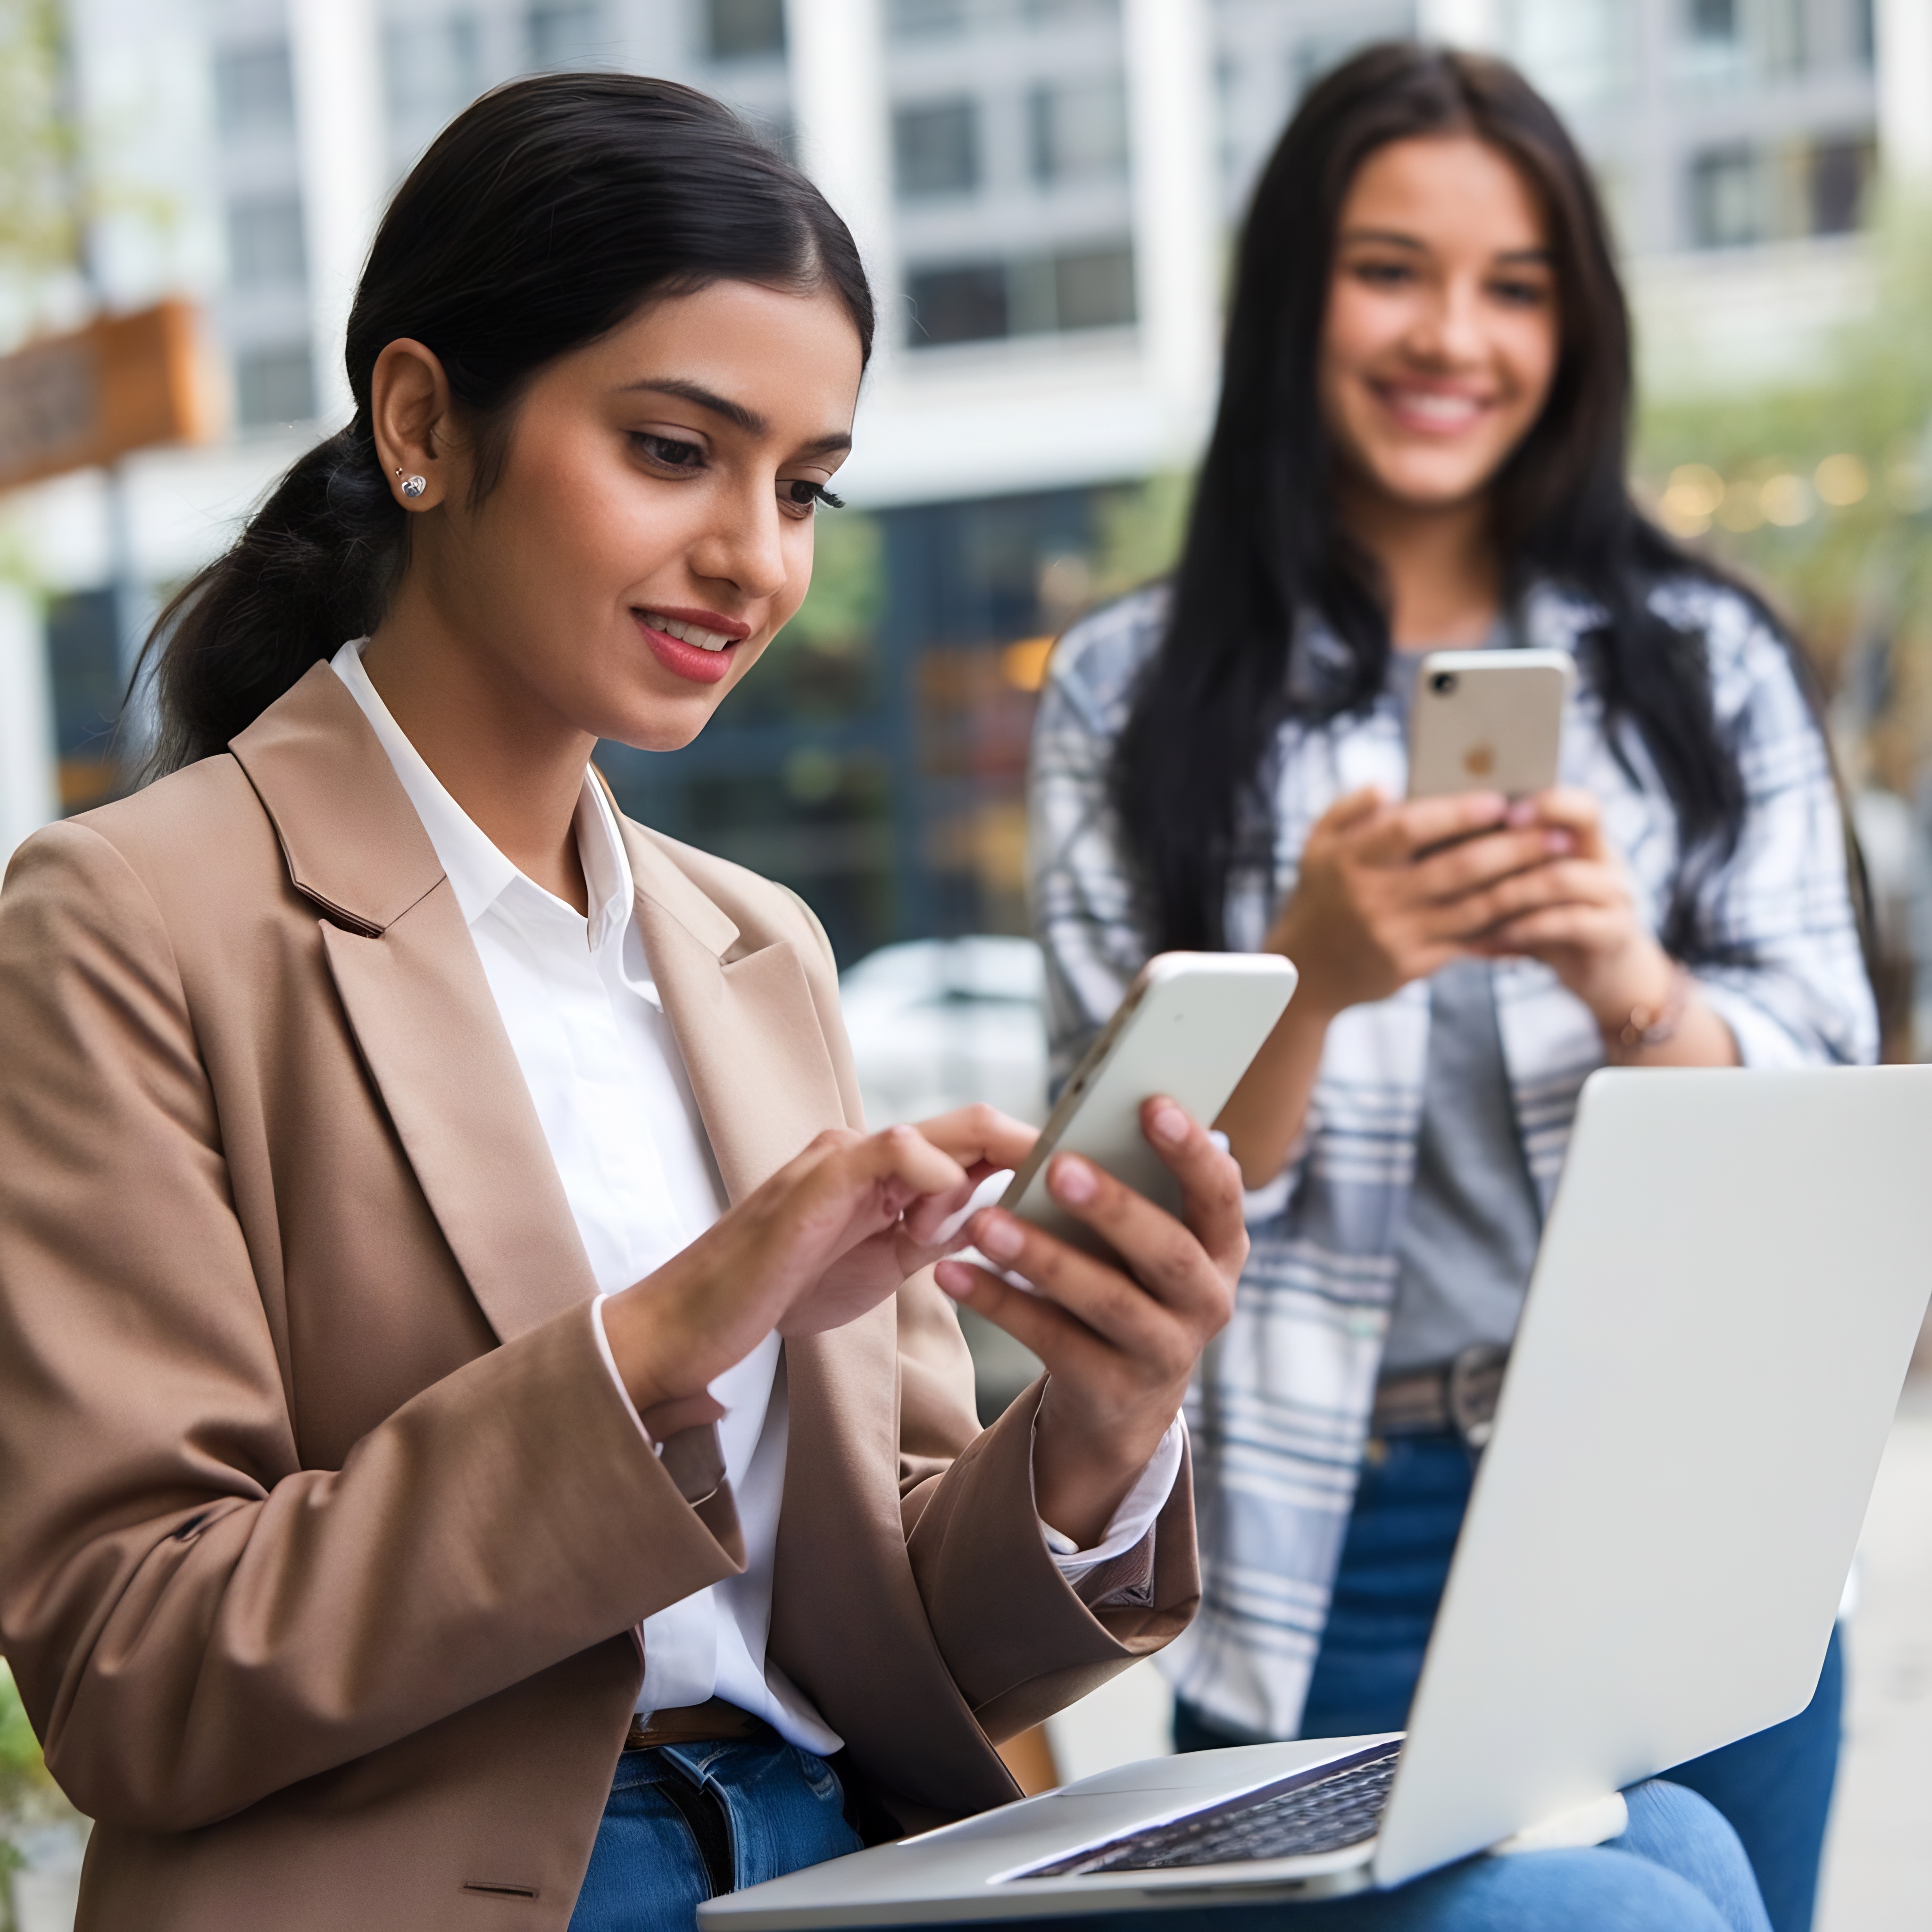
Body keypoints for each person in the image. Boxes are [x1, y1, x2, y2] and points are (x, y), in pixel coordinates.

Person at [0, 69, 1772, 1932]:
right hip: (486, 1882)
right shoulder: (130, 915)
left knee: (1673, 1849)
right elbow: (133, 1671)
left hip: (848, 1856)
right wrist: (667, 1334)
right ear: (427, 420)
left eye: (804, 485)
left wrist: (1095, 1436)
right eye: (675, 451)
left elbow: (897, 1636)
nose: (758, 557)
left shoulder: (753, 946)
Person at [1030, 42, 1875, 1932]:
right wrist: (1311, 985)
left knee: (1722, 1896)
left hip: (1692, 1481)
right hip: (1342, 1520)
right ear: (1291, 297)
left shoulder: (1700, 662)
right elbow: (1113, 1216)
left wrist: (1629, 979)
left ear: (1573, 325)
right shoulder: (1127, 695)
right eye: (1389, 268)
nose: (1452, 338)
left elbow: (1830, 1115)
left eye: (1514, 286)